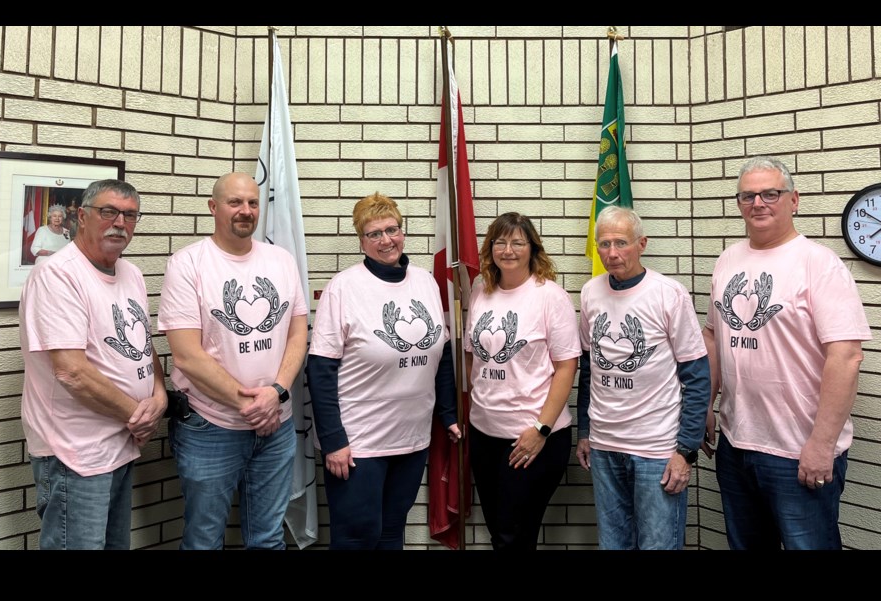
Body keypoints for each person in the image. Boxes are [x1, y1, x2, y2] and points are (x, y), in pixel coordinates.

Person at [703, 155, 871, 550]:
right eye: (748, 196)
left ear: (793, 200)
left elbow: (846, 357)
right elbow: (713, 337)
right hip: (737, 442)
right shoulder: (728, 260)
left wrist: (821, 444)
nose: (758, 203)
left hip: (797, 451)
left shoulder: (819, 264)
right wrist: (705, 406)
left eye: (770, 194)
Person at [158, 171, 309, 550]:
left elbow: (297, 334)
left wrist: (276, 393)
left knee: (268, 538)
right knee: (204, 539)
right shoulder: (188, 263)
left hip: (276, 425)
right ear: (213, 207)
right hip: (211, 426)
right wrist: (252, 406)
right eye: (235, 202)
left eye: (253, 203)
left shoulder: (281, 260)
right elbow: (187, 356)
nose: (245, 211)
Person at [307, 192, 461, 549]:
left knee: (392, 532)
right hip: (359, 443)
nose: (386, 240)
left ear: (403, 232)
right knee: (356, 538)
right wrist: (333, 441)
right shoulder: (343, 287)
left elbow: (439, 352)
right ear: (361, 241)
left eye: (392, 229)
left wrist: (449, 413)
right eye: (374, 234)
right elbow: (320, 369)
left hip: (411, 438)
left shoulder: (425, 282)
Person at [19, 179, 167, 549]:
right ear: (81, 217)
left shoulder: (130, 272)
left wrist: (160, 398)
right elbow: (71, 371)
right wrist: (138, 415)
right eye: (108, 212)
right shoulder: (58, 274)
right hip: (75, 453)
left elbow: (142, 348)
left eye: (130, 215)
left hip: (120, 443)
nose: (120, 222)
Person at [575, 206, 710, 550]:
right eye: (603, 244)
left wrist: (686, 451)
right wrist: (585, 432)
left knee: (658, 545)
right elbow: (589, 367)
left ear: (642, 244)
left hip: (657, 450)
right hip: (605, 447)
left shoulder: (669, 294)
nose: (612, 253)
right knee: (613, 545)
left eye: (621, 242)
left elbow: (696, 376)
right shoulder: (590, 292)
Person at [464, 212, 580, 550]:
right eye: (500, 242)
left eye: (517, 242)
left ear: (532, 248)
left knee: (513, 533)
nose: (508, 250)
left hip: (533, 438)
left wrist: (541, 430)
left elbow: (566, 367)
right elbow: (472, 355)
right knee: (500, 531)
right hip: (484, 434)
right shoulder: (479, 290)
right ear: (490, 248)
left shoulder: (549, 296)